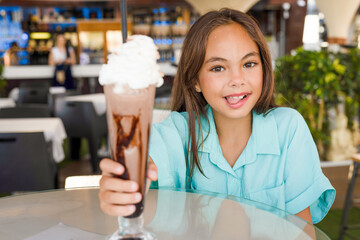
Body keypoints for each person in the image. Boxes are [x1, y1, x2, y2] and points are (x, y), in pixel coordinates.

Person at [99, 8, 335, 225]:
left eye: (249, 64)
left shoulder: (288, 129)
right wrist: (125, 189)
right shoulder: (177, 133)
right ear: (194, 80)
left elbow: (301, 231)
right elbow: (144, 172)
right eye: (218, 68)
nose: (237, 79)